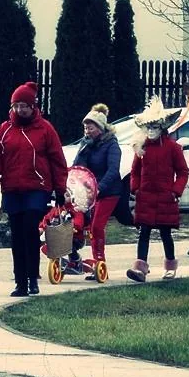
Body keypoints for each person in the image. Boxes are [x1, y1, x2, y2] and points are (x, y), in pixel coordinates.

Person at [0, 81, 67, 297]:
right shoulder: (5, 130)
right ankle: (20, 281)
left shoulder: (45, 129)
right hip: (12, 188)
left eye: (24, 106)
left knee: (30, 229)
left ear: (33, 106)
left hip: (37, 187)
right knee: (17, 235)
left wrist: (60, 188)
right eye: (16, 106)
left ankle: (32, 278)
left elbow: (57, 160)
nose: (20, 110)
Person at [125, 97, 189, 282]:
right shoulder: (142, 148)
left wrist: (175, 191)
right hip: (145, 196)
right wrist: (135, 188)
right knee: (143, 232)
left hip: (165, 197)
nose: (151, 131)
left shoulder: (173, 148)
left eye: (154, 127)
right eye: (148, 127)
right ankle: (140, 269)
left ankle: (170, 266)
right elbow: (135, 171)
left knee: (165, 232)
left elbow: (183, 171)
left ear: (162, 128)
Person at [71, 103, 123, 280]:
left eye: (90, 127)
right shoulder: (88, 144)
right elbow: (79, 167)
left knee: (96, 226)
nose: (87, 130)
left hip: (109, 192)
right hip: (90, 192)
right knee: (88, 227)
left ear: (100, 128)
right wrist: (83, 149)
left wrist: (99, 188)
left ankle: (100, 263)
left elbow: (113, 170)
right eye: (85, 127)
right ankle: (92, 261)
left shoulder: (112, 145)